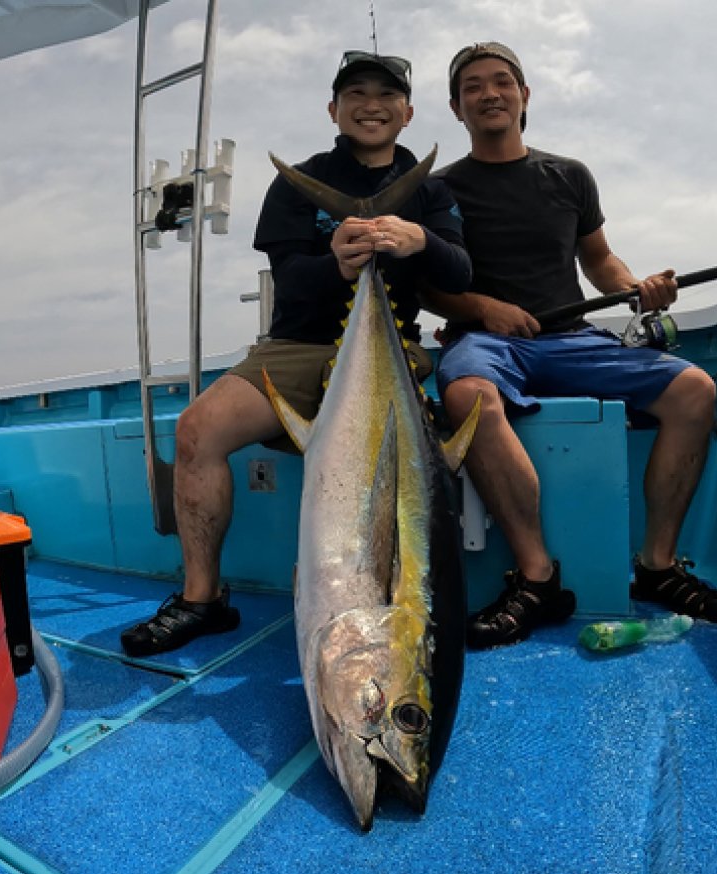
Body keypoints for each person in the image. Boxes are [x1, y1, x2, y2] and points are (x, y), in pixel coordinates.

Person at [120, 50, 472, 656]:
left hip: (392, 355)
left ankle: (408, 604)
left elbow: (461, 272)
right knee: (197, 429)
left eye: (386, 96)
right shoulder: (296, 182)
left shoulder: (432, 192)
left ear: (407, 113)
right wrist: (336, 262)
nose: (371, 105)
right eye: (355, 94)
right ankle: (202, 598)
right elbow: (287, 276)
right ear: (334, 109)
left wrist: (423, 241)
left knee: (425, 469)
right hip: (294, 348)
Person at [428, 41, 717, 651]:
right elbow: (429, 289)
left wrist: (637, 290)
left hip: (569, 338)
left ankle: (657, 566)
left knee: (694, 389)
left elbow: (598, 261)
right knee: (465, 394)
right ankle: (537, 579)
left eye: (501, 82)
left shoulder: (568, 175)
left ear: (525, 96)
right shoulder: (437, 192)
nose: (489, 94)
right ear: (456, 107)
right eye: (472, 87)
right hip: (487, 343)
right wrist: (485, 309)